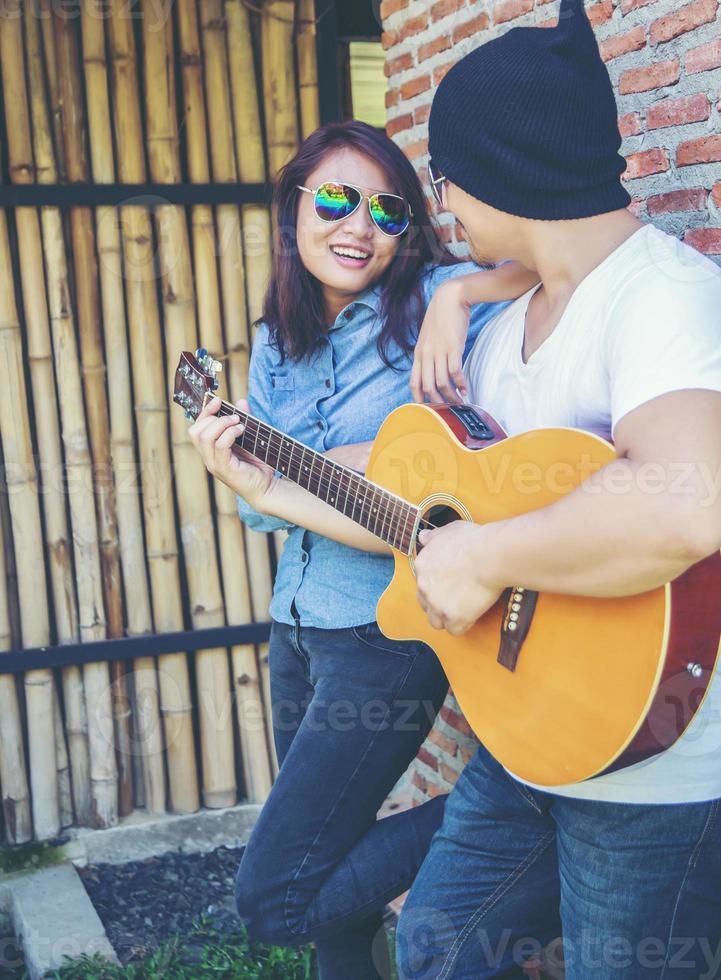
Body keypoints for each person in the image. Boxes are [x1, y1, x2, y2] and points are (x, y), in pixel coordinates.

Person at [394, 1, 721, 977]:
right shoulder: (502, 322)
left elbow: (684, 497)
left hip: (653, 764)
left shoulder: (659, 296)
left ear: (502, 171)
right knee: (439, 946)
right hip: (528, 733)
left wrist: (483, 554)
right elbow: (441, 491)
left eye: (446, 178)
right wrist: (269, 470)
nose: (443, 206)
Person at [187, 119, 538, 979]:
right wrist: (262, 483)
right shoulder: (279, 337)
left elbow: (546, 259)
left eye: (386, 211)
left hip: (385, 639)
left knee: (278, 897)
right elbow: (265, 515)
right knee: (324, 888)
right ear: (294, 209)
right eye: (336, 199)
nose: (358, 227)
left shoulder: (435, 296)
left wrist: (455, 299)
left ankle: (523, 816)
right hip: (296, 625)